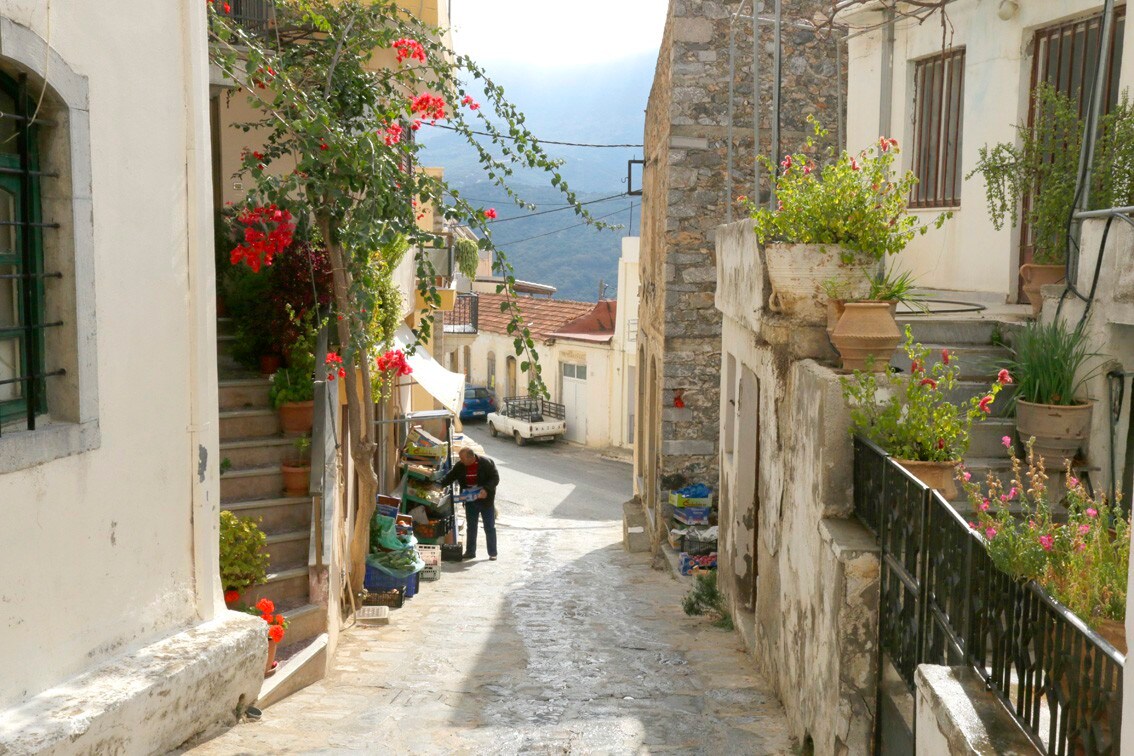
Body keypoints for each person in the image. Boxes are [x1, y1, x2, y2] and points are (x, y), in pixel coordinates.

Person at [437, 447, 500, 561]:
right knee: (471, 527)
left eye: (462, 458)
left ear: (470, 457)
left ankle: (492, 552)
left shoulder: (486, 463)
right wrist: (438, 485)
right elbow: (450, 477)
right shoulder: (460, 466)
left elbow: (495, 478)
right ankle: (470, 552)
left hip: (486, 500)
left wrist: (486, 489)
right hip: (470, 500)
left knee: (489, 526)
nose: (460, 460)